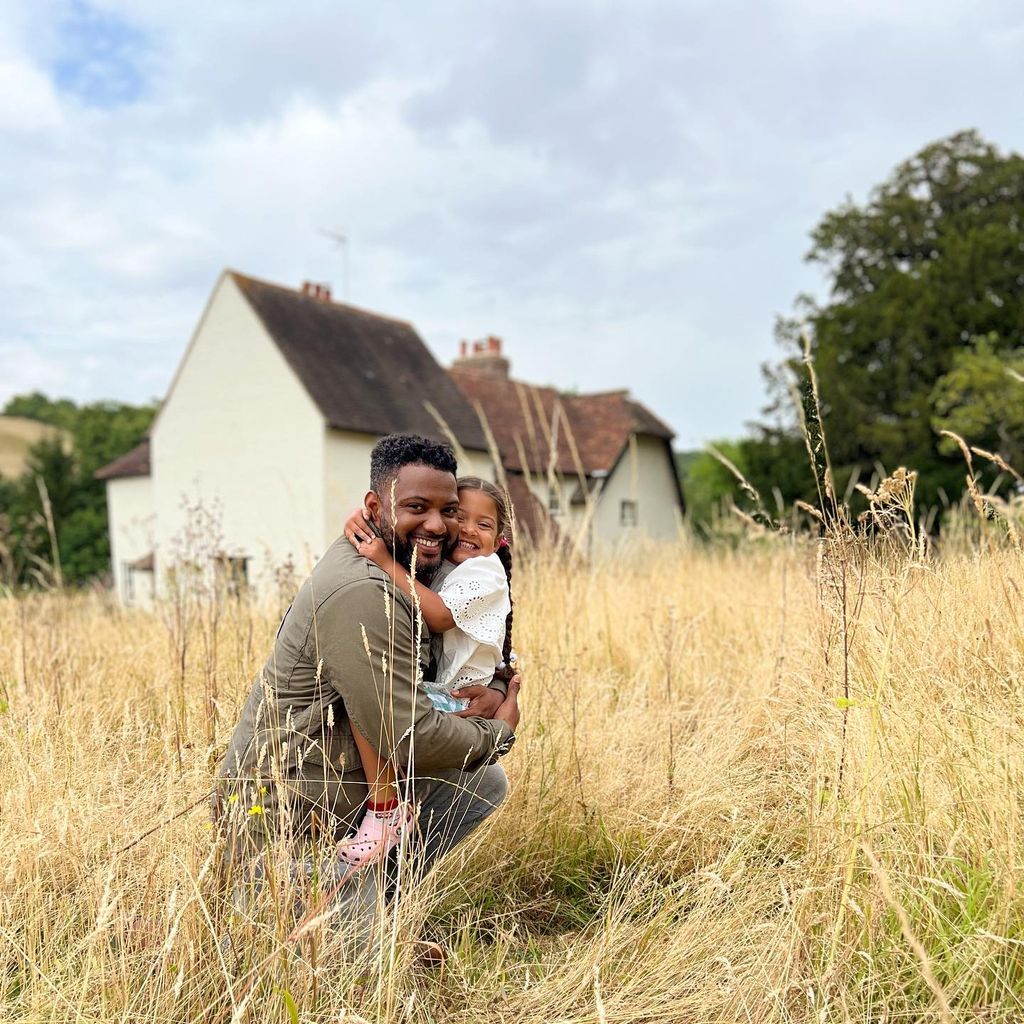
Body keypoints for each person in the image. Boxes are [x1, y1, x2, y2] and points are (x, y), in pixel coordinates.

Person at [216, 435, 521, 917]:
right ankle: (329, 909)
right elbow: (409, 735)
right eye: (417, 507)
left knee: (482, 783)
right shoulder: (365, 591)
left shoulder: (413, 566)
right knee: (354, 986)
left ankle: (385, 901)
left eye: (450, 510)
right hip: (291, 812)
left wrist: (501, 686)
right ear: (376, 506)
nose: (440, 526)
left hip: (351, 778)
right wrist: (498, 730)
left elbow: (487, 640)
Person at [336, 477, 515, 867]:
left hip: (454, 701)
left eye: (483, 525)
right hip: (445, 692)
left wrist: (383, 561)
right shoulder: (448, 564)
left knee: (367, 701)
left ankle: (385, 813)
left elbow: (437, 616)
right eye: (458, 516)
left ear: (500, 539)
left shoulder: (485, 572)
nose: (468, 529)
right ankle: (395, 843)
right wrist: (363, 517)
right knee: (374, 699)